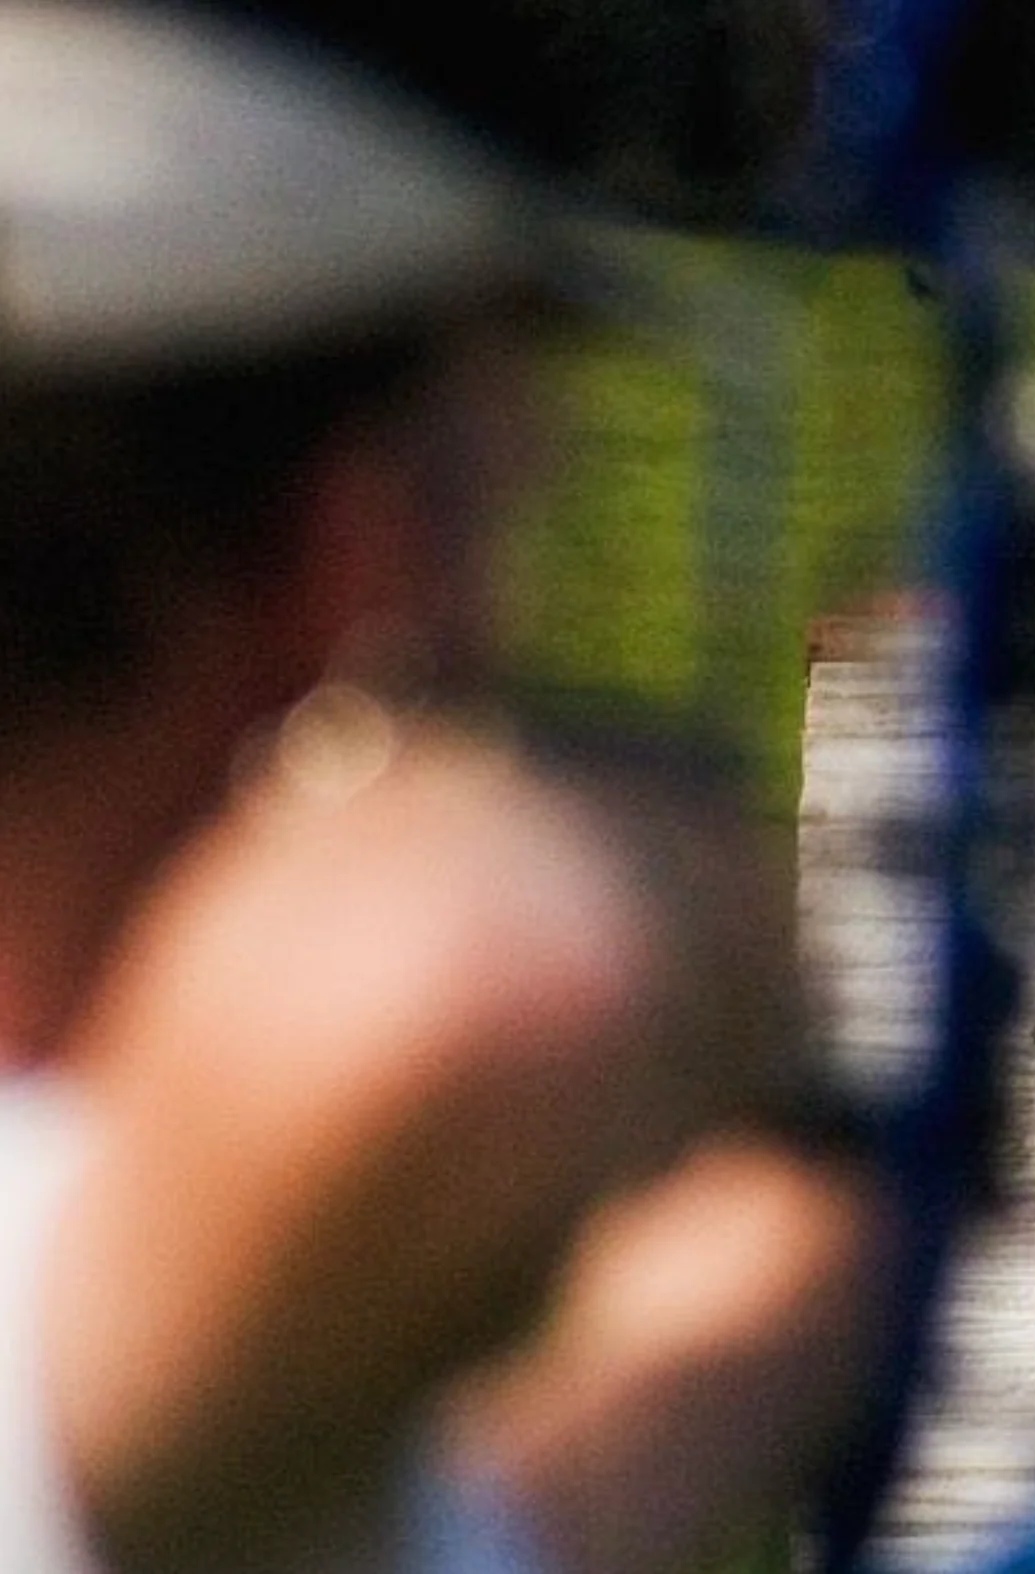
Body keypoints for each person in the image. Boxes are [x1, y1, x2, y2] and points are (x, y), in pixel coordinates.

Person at [0, 4, 887, 1572]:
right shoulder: (92, 1297)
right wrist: (702, 880)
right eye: (489, 490)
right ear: (364, 542)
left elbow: (491, 1509)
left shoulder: (190, 1426)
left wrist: (797, 1232)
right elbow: (490, 978)